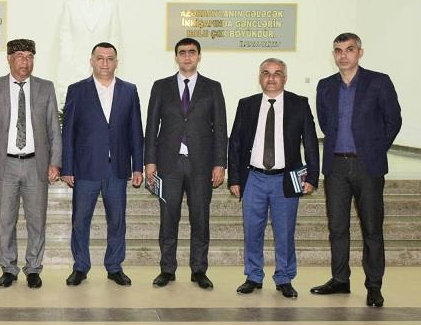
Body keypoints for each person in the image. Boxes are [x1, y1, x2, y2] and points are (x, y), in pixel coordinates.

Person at [311, 33, 401, 307]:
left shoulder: (379, 82)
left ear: (360, 52)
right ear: (334, 54)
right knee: (337, 227)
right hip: (336, 166)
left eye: (349, 49)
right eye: (338, 50)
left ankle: (374, 285)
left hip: (367, 166)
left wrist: (374, 149)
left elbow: (393, 120)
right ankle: (340, 279)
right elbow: (326, 123)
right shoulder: (326, 85)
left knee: (372, 228)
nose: (343, 55)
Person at [228, 58, 320, 298]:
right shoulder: (246, 105)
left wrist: (312, 176)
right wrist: (234, 178)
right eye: (266, 73)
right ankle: (253, 276)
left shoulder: (299, 104)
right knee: (252, 231)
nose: (271, 78)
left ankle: (284, 278)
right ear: (259, 77)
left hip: (285, 179)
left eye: (277, 73)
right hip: (253, 178)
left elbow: (311, 142)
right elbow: (235, 143)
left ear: (285, 78)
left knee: (285, 232)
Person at [144, 37, 228, 288]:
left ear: (199, 56)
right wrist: (149, 162)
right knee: (168, 219)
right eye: (182, 52)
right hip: (168, 164)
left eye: (192, 52)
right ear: (176, 57)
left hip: (201, 165)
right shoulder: (161, 86)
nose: (187, 56)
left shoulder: (213, 87)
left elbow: (220, 127)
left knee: (200, 219)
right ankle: (167, 269)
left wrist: (220, 163)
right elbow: (151, 126)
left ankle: (199, 270)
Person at [0, 39, 62, 289]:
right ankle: (9, 268)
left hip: (36, 164)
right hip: (5, 165)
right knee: (6, 220)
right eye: (20, 56)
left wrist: (55, 162)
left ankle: (34, 268)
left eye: (29, 56)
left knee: (37, 221)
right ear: (9, 59)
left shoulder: (45, 87)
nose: (25, 61)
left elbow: (54, 129)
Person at [61, 42, 143, 287]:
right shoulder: (77, 90)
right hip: (85, 169)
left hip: (117, 168)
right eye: (100, 58)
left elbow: (135, 131)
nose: (105, 63)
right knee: (80, 221)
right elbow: (69, 132)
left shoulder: (129, 90)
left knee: (117, 221)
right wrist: (67, 167)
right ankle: (80, 267)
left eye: (110, 58)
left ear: (117, 62)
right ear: (92, 61)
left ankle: (114, 267)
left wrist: (137, 166)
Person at [58, 0, 122, 96]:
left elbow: (114, 36)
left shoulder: (111, 6)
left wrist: (111, 61)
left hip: (103, 67)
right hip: (76, 65)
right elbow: (65, 34)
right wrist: (67, 59)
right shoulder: (70, 5)